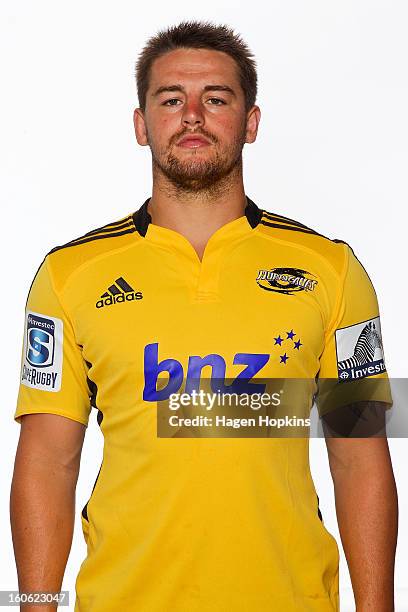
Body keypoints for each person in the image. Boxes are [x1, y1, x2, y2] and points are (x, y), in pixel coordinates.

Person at [10, 20, 398, 612]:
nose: (192, 114)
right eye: (171, 99)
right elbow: (47, 459)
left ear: (251, 122)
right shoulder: (70, 276)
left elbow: (360, 454)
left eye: (216, 98)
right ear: (142, 125)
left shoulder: (332, 270)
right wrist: (35, 605)